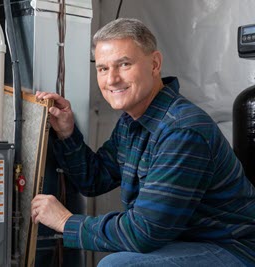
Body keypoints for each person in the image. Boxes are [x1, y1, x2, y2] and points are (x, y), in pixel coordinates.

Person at [31, 18, 255, 266]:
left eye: (124, 64)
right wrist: (66, 133)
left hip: (232, 249)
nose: (112, 79)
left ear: (155, 64)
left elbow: (145, 232)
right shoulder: (132, 123)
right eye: (103, 69)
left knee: (117, 265)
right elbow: (95, 179)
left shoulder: (182, 130)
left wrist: (65, 222)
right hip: (185, 243)